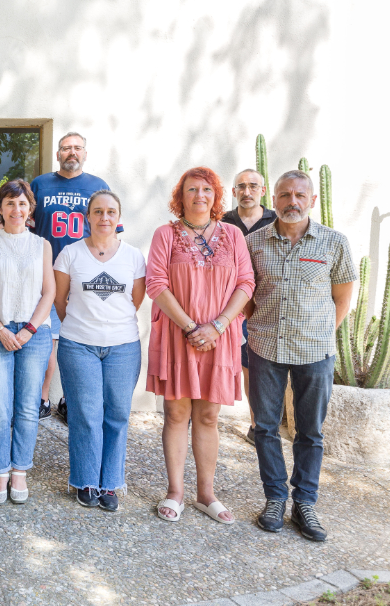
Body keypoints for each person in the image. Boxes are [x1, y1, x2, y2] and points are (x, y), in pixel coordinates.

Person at [245, 170, 355, 542]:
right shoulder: (255, 242)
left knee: (310, 431)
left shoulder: (333, 243)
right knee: (265, 427)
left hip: (315, 351)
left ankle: (304, 502)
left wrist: (322, 331)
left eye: (299, 195)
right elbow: (246, 296)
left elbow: (342, 297)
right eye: (285, 194)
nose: (292, 201)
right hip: (266, 347)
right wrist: (260, 325)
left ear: (312, 200)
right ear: (273, 199)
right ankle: (275, 497)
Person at [146, 166, 255, 525]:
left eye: (206, 190)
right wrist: (193, 327)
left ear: (216, 196)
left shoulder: (234, 235)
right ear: (181, 197)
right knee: (176, 414)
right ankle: (175, 492)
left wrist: (218, 326)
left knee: (208, 416)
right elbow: (156, 283)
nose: (199, 196)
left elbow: (246, 282)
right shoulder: (166, 234)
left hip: (219, 339)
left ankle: (205, 494)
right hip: (179, 337)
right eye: (192, 190)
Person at [54, 190, 146, 512]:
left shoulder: (134, 256)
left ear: (118, 218)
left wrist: (110, 325)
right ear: (87, 218)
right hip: (79, 344)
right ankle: (85, 480)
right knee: (86, 414)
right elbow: (60, 300)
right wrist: (86, 325)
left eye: (111, 212)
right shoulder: (69, 254)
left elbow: (135, 301)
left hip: (123, 346)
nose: (104, 218)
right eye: (98, 212)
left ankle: (110, 483)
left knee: (118, 414)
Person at [0, 180, 54, 505]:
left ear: (30, 208)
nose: (16, 210)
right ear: (0, 208)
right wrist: (2, 330)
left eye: (22, 204)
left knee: (26, 406)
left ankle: (20, 470)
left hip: (34, 334)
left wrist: (28, 330)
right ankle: (0, 472)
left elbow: (49, 291)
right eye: (9, 203)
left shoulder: (42, 245)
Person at [30, 132, 109, 419]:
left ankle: (69, 398)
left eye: (77, 148)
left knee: (78, 338)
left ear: (85, 153)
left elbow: (110, 230)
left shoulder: (98, 186)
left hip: (84, 272)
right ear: (58, 154)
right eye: (66, 148)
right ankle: (43, 398)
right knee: (49, 337)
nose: (71, 152)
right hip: (47, 275)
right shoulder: (39, 184)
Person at [221, 169, 277, 445]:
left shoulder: (275, 220)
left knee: (255, 366)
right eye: (241, 186)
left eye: (253, 186)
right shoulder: (222, 221)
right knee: (233, 362)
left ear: (263, 191)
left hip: (263, 304)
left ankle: (260, 425)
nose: (247, 191)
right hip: (230, 303)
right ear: (234, 192)